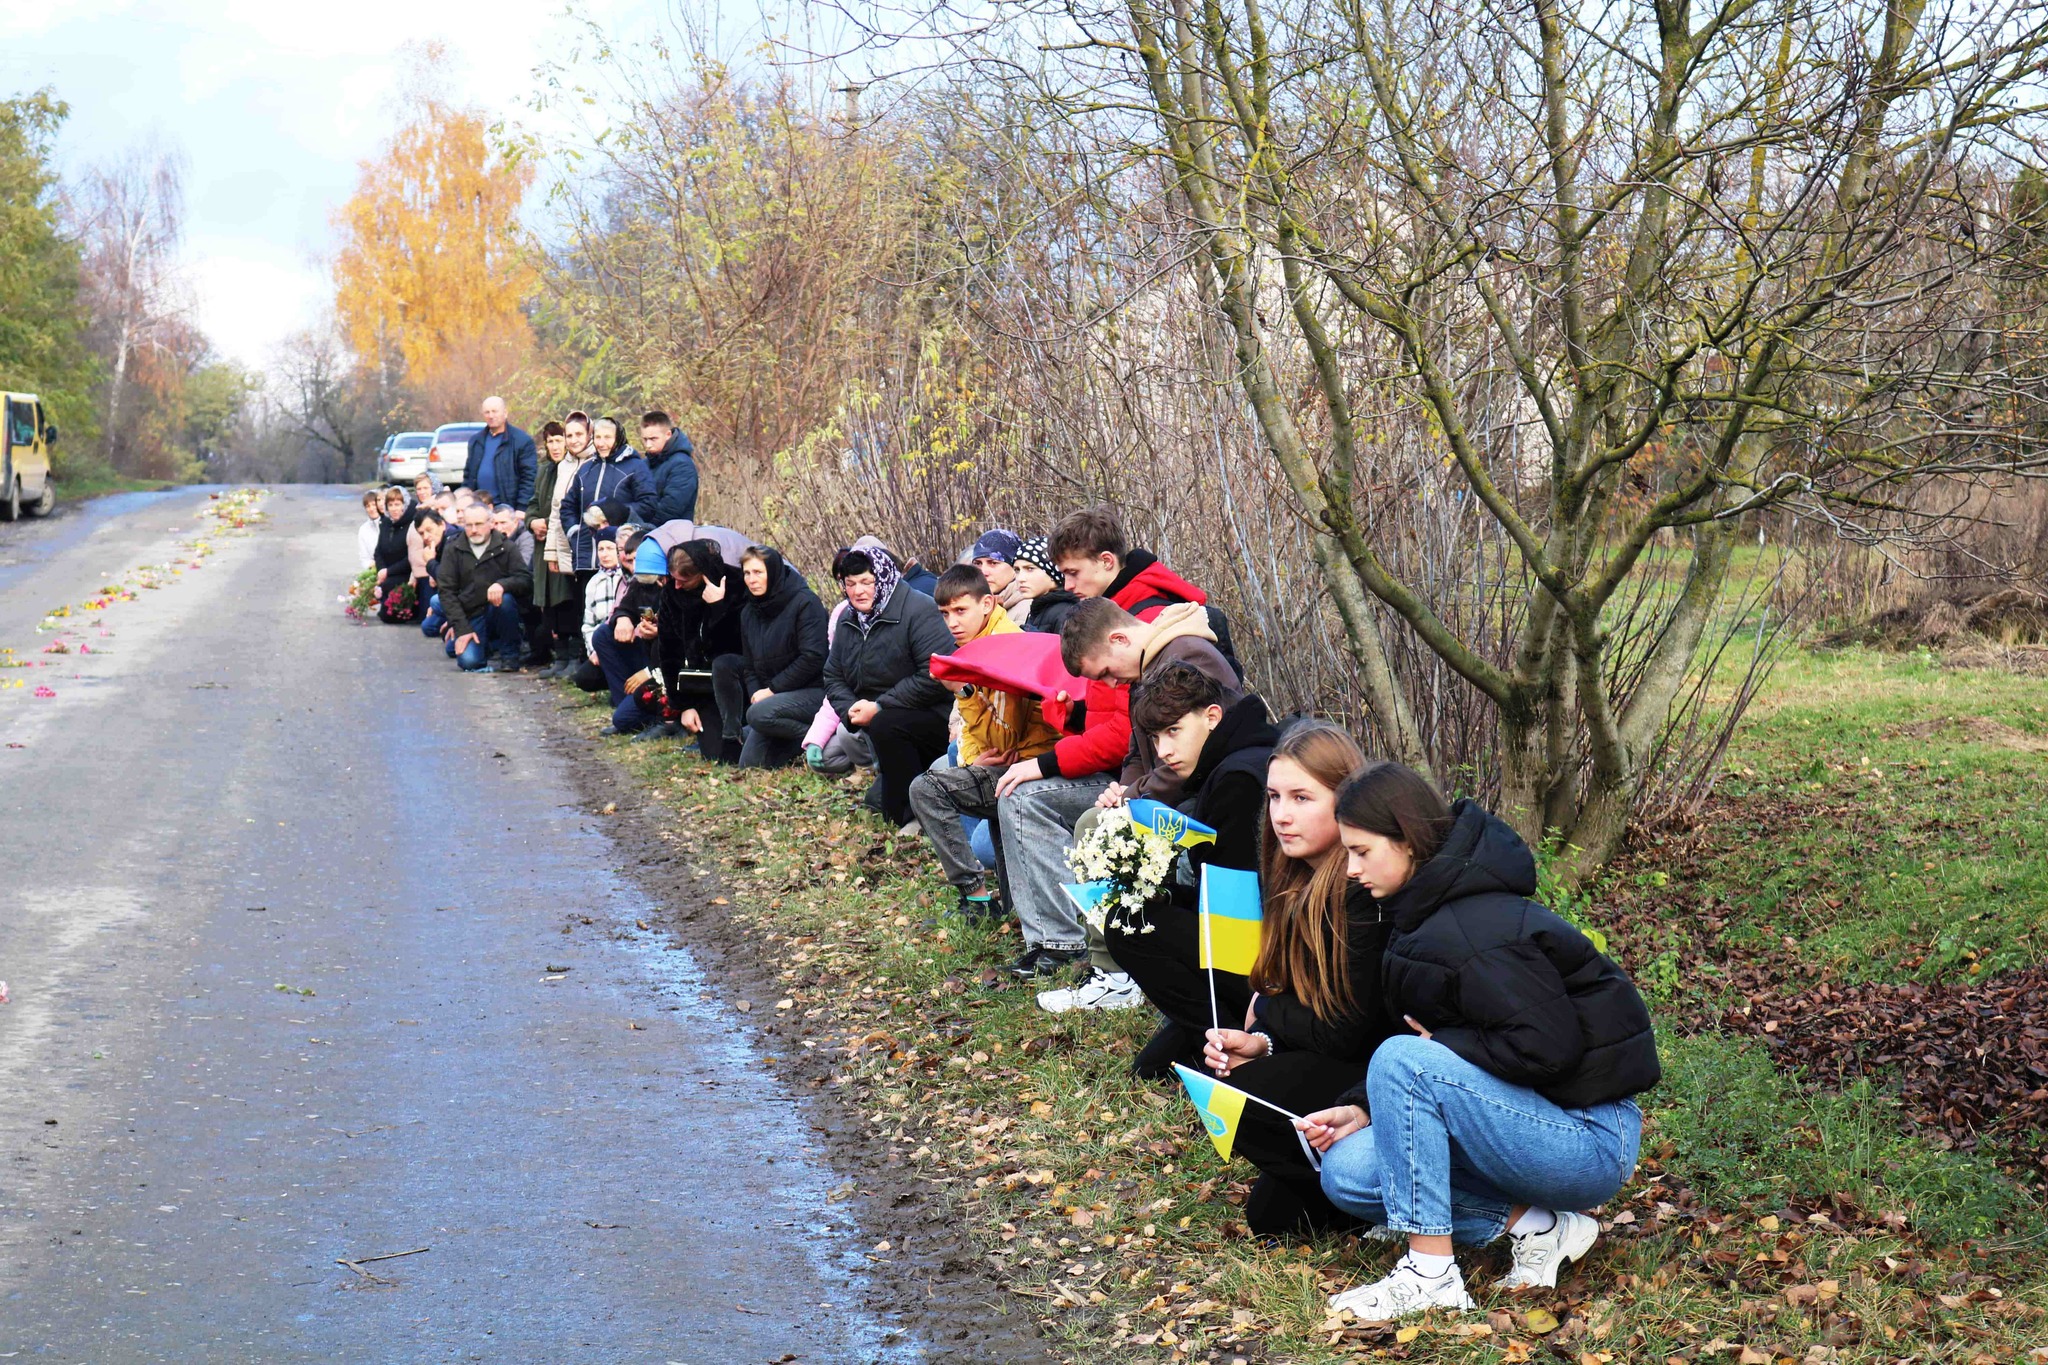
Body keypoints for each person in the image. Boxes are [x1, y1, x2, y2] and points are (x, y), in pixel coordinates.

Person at [1295, 763, 1660, 1318]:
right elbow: (1457, 1054)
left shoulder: (1474, 929)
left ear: (1409, 841)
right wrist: (1363, 1108)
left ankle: (1431, 1276)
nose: (1349, 869)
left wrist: (1440, 1046)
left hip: (1588, 1138)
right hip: (1527, 1122)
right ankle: (1542, 1227)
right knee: (1349, 1174)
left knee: (1401, 1057)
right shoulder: (1427, 912)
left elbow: (1547, 1047)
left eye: (1363, 851)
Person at [904, 565, 1062, 918]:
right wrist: (969, 764)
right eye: (945, 614)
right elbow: (973, 733)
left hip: (1030, 766)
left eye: (961, 611)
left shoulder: (1005, 647)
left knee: (926, 789)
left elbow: (1004, 735)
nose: (952, 623)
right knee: (1014, 907)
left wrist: (962, 689)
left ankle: (977, 899)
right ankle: (989, 903)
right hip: (1000, 764)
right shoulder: (973, 643)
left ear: (987, 604)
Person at [818, 544, 956, 826]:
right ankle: (905, 801)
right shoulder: (849, 619)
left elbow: (934, 676)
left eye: (867, 582)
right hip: (880, 719)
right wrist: (851, 709)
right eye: (851, 583)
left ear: (883, 578)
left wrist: (880, 705)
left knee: (886, 726)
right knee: (876, 803)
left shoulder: (919, 610)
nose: (858, 591)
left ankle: (915, 815)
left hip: (935, 718)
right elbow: (833, 675)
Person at [1061, 597, 1242, 807]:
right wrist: (1122, 791)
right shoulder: (1145, 669)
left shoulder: (1188, 656)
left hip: (1207, 799)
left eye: (1106, 672)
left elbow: (1198, 755)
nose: (1111, 684)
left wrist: (1131, 798)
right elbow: (1137, 753)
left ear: (1119, 639)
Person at [719, 546, 829, 768]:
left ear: (774, 571)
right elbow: (749, 666)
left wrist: (772, 691)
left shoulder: (805, 602)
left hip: (815, 693)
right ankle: (798, 739)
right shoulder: (749, 612)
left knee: (758, 715)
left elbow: (814, 657)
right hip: (774, 701)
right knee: (749, 764)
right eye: (747, 573)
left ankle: (821, 737)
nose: (751, 580)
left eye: (758, 572)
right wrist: (757, 694)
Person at [642, 540, 744, 761]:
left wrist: (719, 607)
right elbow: (669, 652)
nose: (677, 585)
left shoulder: (736, 583)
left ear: (702, 573)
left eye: (684, 580)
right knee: (715, 754)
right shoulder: (672, 594)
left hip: (737, 681)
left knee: (737, 753)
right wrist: (683, 706)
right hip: (701, 686)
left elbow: (739, 642)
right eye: (674, 579)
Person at [437, 502, 533, 672]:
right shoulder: (453, 548)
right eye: (469, 525)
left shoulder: (506, 546)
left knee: (505, 600)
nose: (474, 530)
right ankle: (485, 645)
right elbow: (446, 591)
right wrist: (462, 628)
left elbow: (525, 579)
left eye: (479, 524)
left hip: (497, 612)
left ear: (490, 523)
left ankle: (509, 655)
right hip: (470, 614)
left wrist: (502, 584)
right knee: (469, 662)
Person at [559, 416, 654, 577]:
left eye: (607, 437)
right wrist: (574, 532)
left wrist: (619, 513)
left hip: (620, 557)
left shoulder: (636, 467)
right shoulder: (585, 469)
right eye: (598, 437)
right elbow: (568, 506)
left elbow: (648, 504)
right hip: (585, 558)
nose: (602, 443)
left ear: (618, 438)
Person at [594, 534, 670, 732]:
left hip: (666, 664)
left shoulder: (677, 587)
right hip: (646, 651)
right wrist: (623, 619)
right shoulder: (642, 581)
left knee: (624, 720)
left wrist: (649, 671)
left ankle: (663, 717)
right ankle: (625, 700)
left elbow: (684, 638)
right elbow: (624, 606)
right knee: (603, 635)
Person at [526, 420, 582, 673]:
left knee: (567, 599)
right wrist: (532, 521)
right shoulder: (544, 471)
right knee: (548, 602)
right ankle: (559, 657)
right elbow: (534, 502)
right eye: (550, 441)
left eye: (559, 440)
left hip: (564, 542)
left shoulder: (576, 468)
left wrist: (549, 523)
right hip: (542, 546)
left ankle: (573, 656)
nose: (555, 446)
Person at [463, 395, 538, 508]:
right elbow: (468, 475)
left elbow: (529, 478)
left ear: (505, 413)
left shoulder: (521, 441)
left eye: (495, 411)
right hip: (479, 507)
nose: (491, 416)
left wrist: (522, 507)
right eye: (487, 412)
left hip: (507, 507)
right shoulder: (476, 441)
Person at [575, 531, 624, 692]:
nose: (605, 554)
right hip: (602, 644)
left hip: (624, 641)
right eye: (601, 549)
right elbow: (588, 624)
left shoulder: (626, 578)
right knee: (584, 677)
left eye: (609, 548)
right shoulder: (593, 583)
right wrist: (595, 650)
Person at [641, 410, 700, 526]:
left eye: (653, 439)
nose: (648, 445)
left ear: (668, 435)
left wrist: (640, 527)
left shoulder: (683, 465)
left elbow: (671, 508)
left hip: (673, 535)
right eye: (645, 439)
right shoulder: (644, 463)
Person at [1015, 535, 1080, 635]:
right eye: (1017, 570)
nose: (1020, 578)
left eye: (1030, 569)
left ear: (1052, 571)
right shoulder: (1039, 608)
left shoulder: (1066, 613)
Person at [969, 528, 1029, 625]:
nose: (983, 572)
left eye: (993, 563)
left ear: (1014, 566)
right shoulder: (971, 606)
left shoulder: (1027, 609)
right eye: (978, 563)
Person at [370, 486, 414, 596]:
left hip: (404, 574)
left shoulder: (411, 525)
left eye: (397, 504)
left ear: (404, 505)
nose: (394, 509)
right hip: (386, 574)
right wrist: (381, 570)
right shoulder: (386, 523)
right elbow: (378, 551)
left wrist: (388, 572)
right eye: (390, 505)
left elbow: (410, 557)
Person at [357, 490, 382, 568]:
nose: (371, 509)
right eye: (368, 506)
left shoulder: (389, 523)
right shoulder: (363, 530)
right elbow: (364, 558)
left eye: (374, 505)